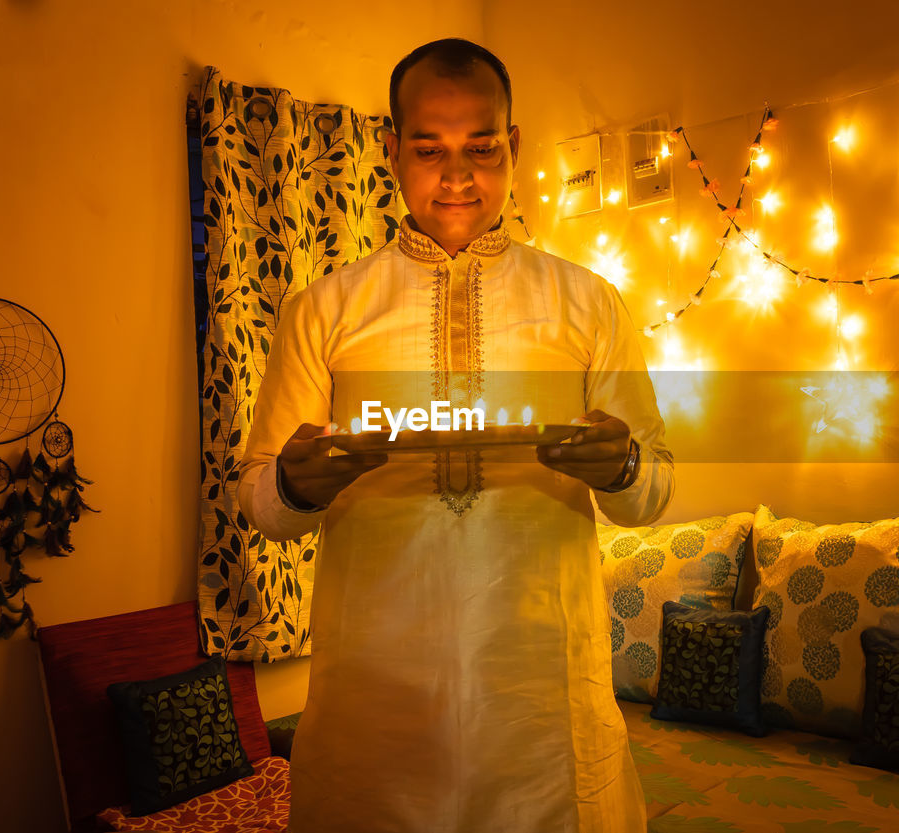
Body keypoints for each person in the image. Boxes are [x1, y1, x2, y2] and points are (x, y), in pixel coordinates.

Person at [237, 37, 674, 833]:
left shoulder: (589, 303)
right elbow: (264, 504)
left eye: (481, 146)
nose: (459, 175)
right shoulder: (326, 311)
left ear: (513, 146)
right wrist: (301, 482)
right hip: (380, 698)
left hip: (541, 699)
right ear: (392, 151)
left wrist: (621, 466)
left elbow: (652, 496)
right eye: (430, 149)